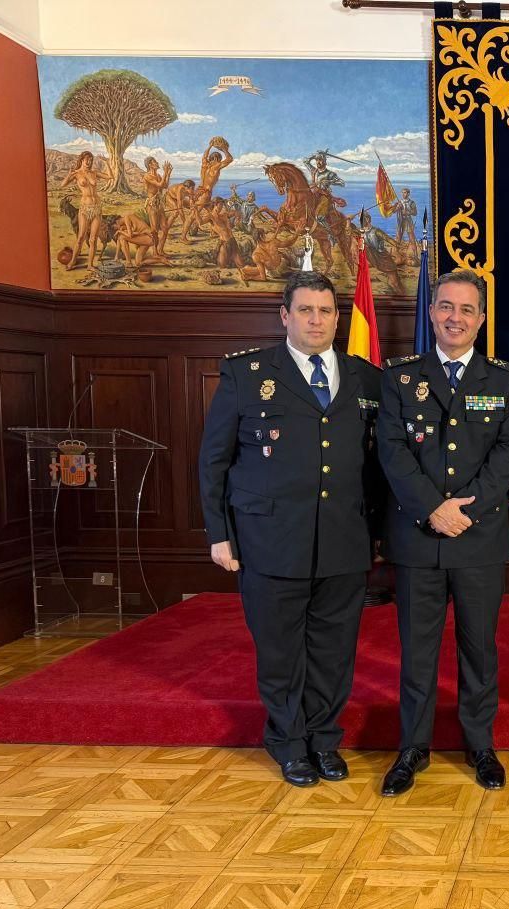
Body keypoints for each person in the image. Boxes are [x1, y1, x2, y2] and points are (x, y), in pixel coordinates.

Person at [198, 271, 385, 787]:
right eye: (306, 310)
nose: (317, 320)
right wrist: (219, 533)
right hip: (268, 541)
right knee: (280, 651)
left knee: (332, 651)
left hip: (343, 541)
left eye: (326, 311)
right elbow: (215, 459)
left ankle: (324, 740)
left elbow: (376, 467)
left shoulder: (365, 378)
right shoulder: (247, 373)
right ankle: (288, 743)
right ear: (285, 316)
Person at [376, 269, 509, 796]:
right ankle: (412, 747)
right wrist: (433, 509)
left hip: (479, 537)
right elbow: (391, 453)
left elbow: (507, 455)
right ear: (432, 313)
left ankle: (479, 744)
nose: (454, 318)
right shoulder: (398, 377)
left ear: (480, 319)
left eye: (465, 310)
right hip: (419, 538)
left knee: (479, 648)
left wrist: (467, 509)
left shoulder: (503, 379)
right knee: (417, 650)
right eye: (445, 307)